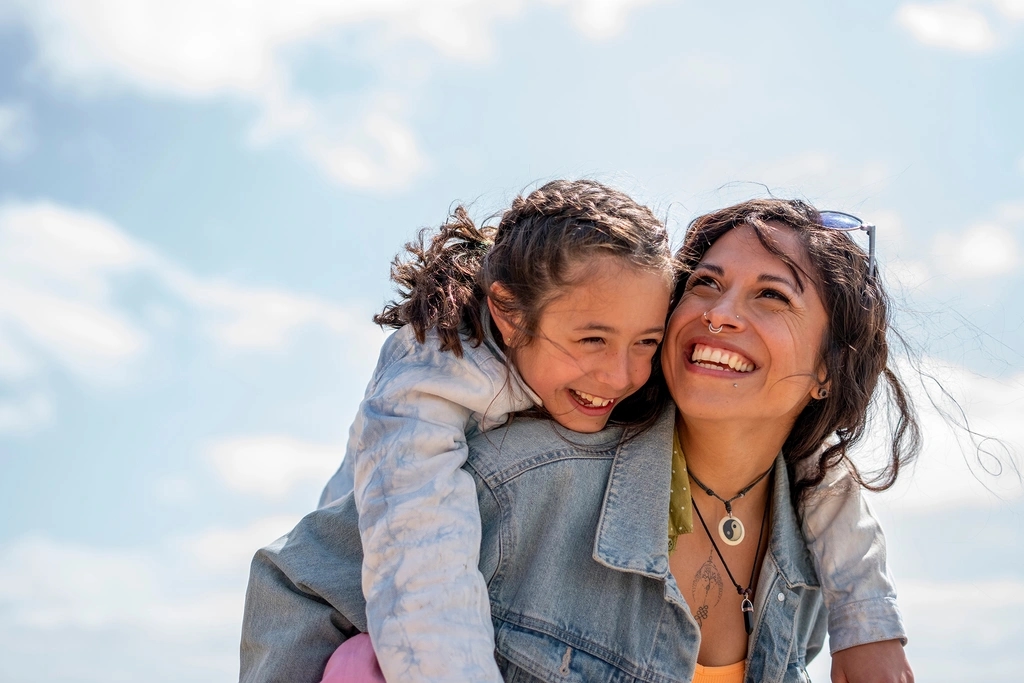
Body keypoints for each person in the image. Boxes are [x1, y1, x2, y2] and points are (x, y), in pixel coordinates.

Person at [240, 195, 915, 683]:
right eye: (705, 283)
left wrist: (869, 619)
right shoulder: (515, 476)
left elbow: (824, 472)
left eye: (772, 295)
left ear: (828, 368)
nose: (718, 313)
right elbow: (303, 579)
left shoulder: (810, 558)